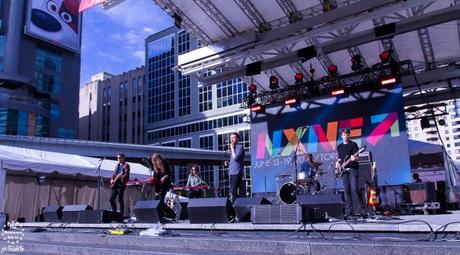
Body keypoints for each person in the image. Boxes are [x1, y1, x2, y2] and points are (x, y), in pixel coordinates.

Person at [336, 129, 366, 219]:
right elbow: (340, 159)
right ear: (341, 136)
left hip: (353, 168)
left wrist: (355, 158)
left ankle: (362, 211)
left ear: (349, 135)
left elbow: (357, 158)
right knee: (346, 191)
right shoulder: (339, 147)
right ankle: (349, 212)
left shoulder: (353, 144)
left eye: (347, 134)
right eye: (344, 134)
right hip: (343, 170)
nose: (346, 136)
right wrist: (337, 163)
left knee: (354, 189)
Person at [224, 132, 245, 204]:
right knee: (232, 192)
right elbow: (232, 161)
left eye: (233, 137)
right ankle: (239, 205)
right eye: (231, 138)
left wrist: (232, 149)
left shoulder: (240, 147)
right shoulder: (232, 149)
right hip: (232, 172)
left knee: (233, 191)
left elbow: (235, 158)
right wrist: (227, 163)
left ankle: (236, 206)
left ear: (238, 138)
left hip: (237, 172)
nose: (231, 139)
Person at [109, 153, 130, 217]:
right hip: (115, 184)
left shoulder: (126, 165)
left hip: (121, 183)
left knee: (120, 199)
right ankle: (114, 212)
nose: (118, 159)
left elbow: (126, 175)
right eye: (117, 158)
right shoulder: (117, 165)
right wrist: (112, 179)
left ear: (123, 158)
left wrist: (120, 176)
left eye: (120, 157)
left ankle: (121, 214)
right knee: (111, 199)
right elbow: (114, 174)